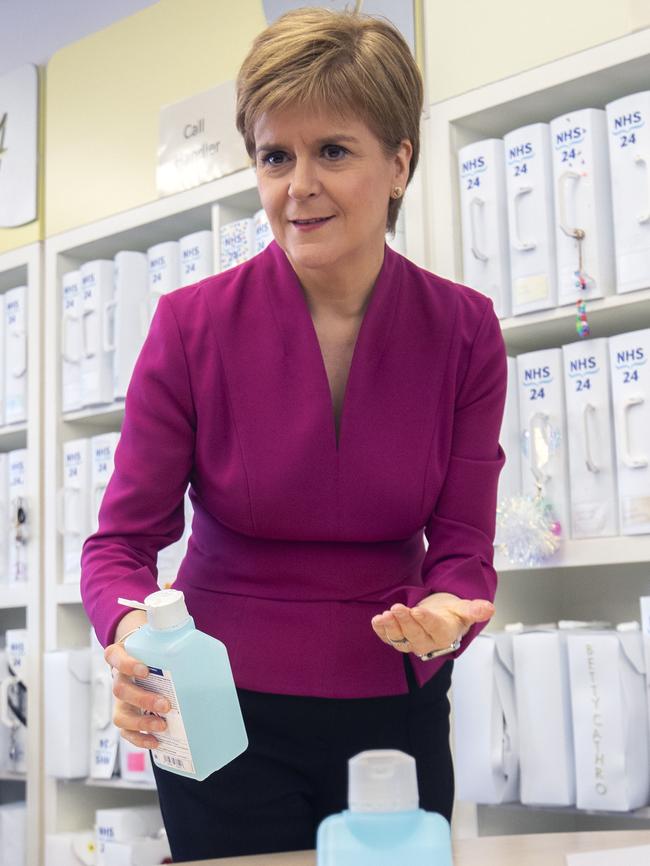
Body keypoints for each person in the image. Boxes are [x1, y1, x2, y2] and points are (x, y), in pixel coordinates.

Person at [81, 6, 506, 862]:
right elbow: (121, 546)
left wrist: (447, 608)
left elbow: (462, 546)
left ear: (400, 164)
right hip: (215, 710)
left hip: (397, 702)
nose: (297, 186)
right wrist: (133, 644)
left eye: (333, 152)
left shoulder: (464, 330)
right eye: (276, 156)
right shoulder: (191, 327)